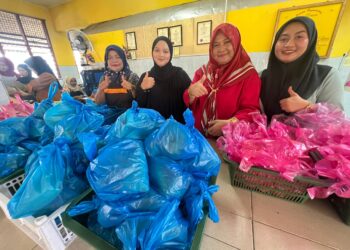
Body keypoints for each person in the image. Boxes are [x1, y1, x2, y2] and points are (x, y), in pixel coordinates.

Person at [183, 23, 261, 137]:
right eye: (216, 45)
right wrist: (190, 94)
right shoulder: (202, 73)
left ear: (236, 43)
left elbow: (251, 111)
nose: (221, 49)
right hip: (199, 139)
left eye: (227, 42)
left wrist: (230, 124)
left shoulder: (248, 75)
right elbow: (189, 101)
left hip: (228, 142)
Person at [260, 16, 344, 121]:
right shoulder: (261, 76)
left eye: (299, 37)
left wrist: (307, 107)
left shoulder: (327, 76)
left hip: (308, 138)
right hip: (260, 137)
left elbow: (338, 122)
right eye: (283, 39)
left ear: (311, 42)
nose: (288, 44)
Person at [136, 36, 191, 123]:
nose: (161, 55)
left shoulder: (180, 74)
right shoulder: (145, 77)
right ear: (152, 52)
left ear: (170, 54)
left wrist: (194, 93)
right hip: (152, 131)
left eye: (165, 51)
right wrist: (142, 88)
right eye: (157, 50)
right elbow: (138, 107)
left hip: (176, 131)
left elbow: (190, 102)